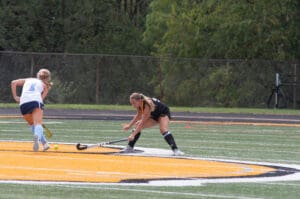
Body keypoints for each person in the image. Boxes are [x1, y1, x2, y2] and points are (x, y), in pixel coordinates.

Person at [11, 68, 53, 152]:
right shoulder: (45, 86)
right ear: (47, 78)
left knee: (32, 124)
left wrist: (15, 97)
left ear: (38, 75)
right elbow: (41, 99)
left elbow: (13, 82)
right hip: (35, 101)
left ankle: (45, 144)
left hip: (23, 103)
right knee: (38, 124)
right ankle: (37, 136)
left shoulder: (28, 79)